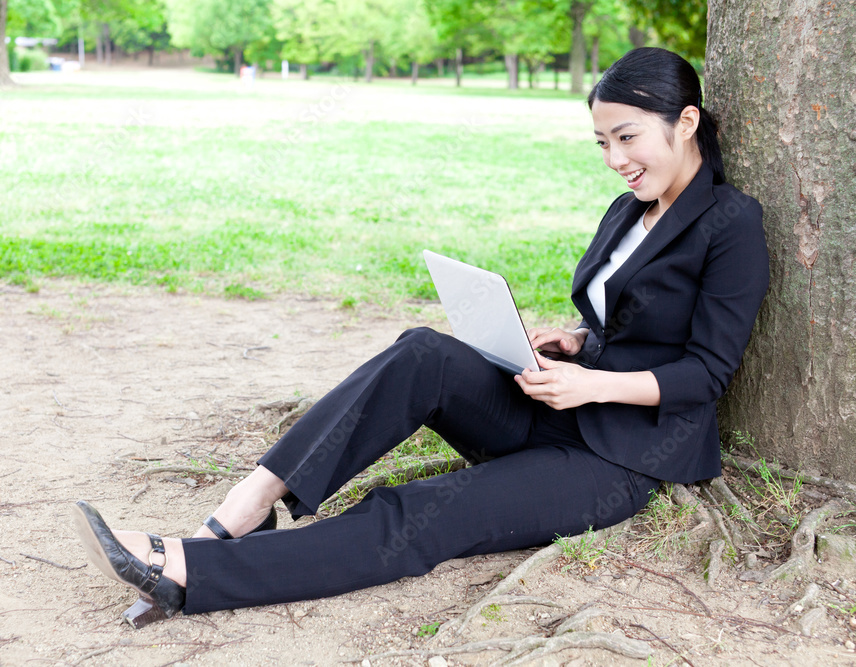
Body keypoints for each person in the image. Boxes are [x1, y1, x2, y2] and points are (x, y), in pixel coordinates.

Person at [73, 47, 770, 628]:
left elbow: (707, 372)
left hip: (624, 460)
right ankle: (242, 509)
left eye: (628, 137)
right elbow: (629, 319)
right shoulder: (629, 209)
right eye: (602, 141)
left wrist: (593, 380)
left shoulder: (730, 221)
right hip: (563, 404)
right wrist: (574, 341)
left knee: (422, 512)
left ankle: (196, 572)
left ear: (685, 122)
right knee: (422, 353)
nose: (615, 157)